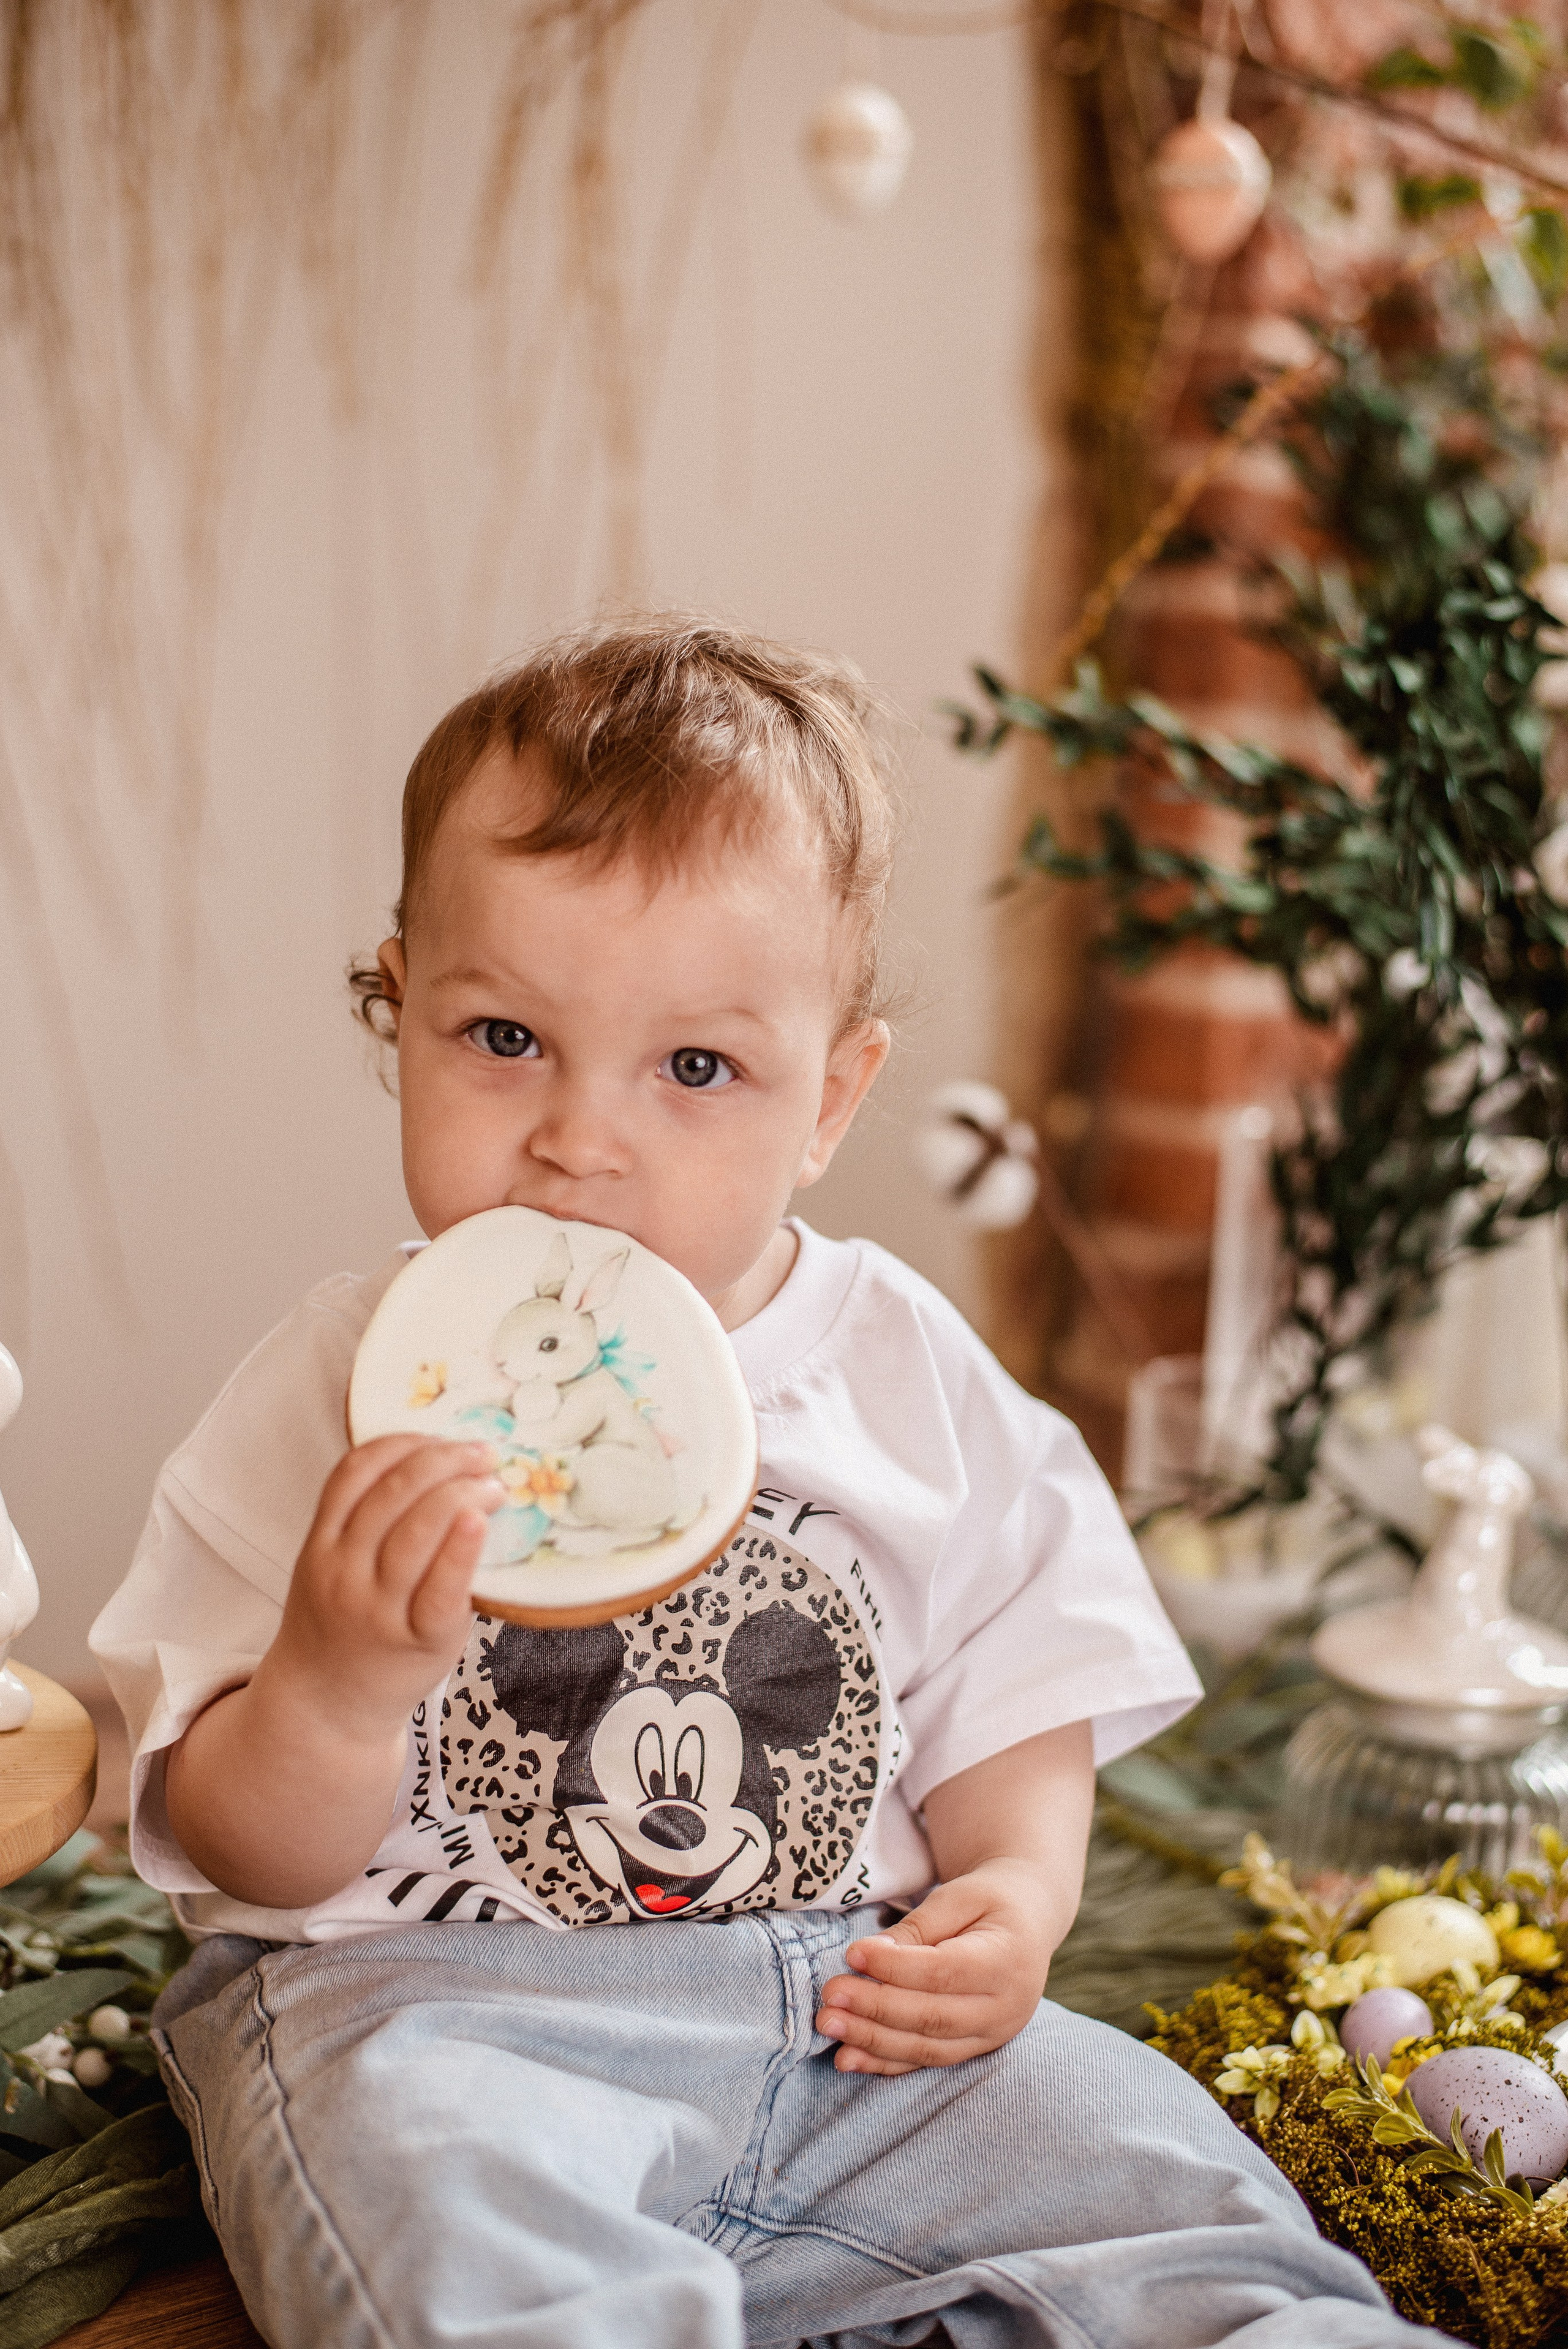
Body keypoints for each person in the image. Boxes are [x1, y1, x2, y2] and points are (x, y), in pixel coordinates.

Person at [91, 618, 1453, 2349]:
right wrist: (332, 1686)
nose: (582, 1137)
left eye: (697, 1069)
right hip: (444, 2013)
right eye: (503, 1036)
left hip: (857, 2024)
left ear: (832, 1097)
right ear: (401, 1008)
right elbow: (233, 1847)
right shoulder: (332, 1388)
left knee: (1170, 2186)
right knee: (430, 2207)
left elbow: (1023, 1672)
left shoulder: (898, 1363)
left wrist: (1019, 1900)